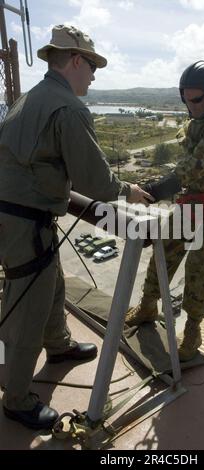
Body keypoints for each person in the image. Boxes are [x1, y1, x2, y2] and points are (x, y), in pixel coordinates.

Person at [0, 24, 152, 430]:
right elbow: (96, 183)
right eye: (93, 67)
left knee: (51, 284)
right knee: (28, 306)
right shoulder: (68, 107)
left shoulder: (30, 97)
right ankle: (16, 398)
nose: (94, 75)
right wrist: (128, 190)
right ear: (77, 60)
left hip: (17, 215)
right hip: (24, 221)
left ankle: (59, 346)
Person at [126, 60, 204, 362]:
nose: (190, 105)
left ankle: (193, 332)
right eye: (185, 98)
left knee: (200, 270)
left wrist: (154, 191)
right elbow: (188, 164)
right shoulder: (198, 121)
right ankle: (148, 306)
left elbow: (196, 165)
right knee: (162, 250)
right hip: (193, 202)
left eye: (196, 99)